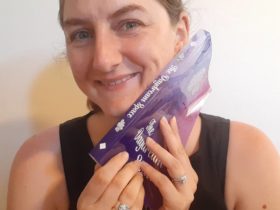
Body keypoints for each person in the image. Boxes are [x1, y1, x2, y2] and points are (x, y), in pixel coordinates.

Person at [7, 0, 280, 209]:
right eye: (81, 34)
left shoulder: (249, 157)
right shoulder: (38, 164)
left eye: (129, 24)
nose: (103, 59)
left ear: (180, 34)